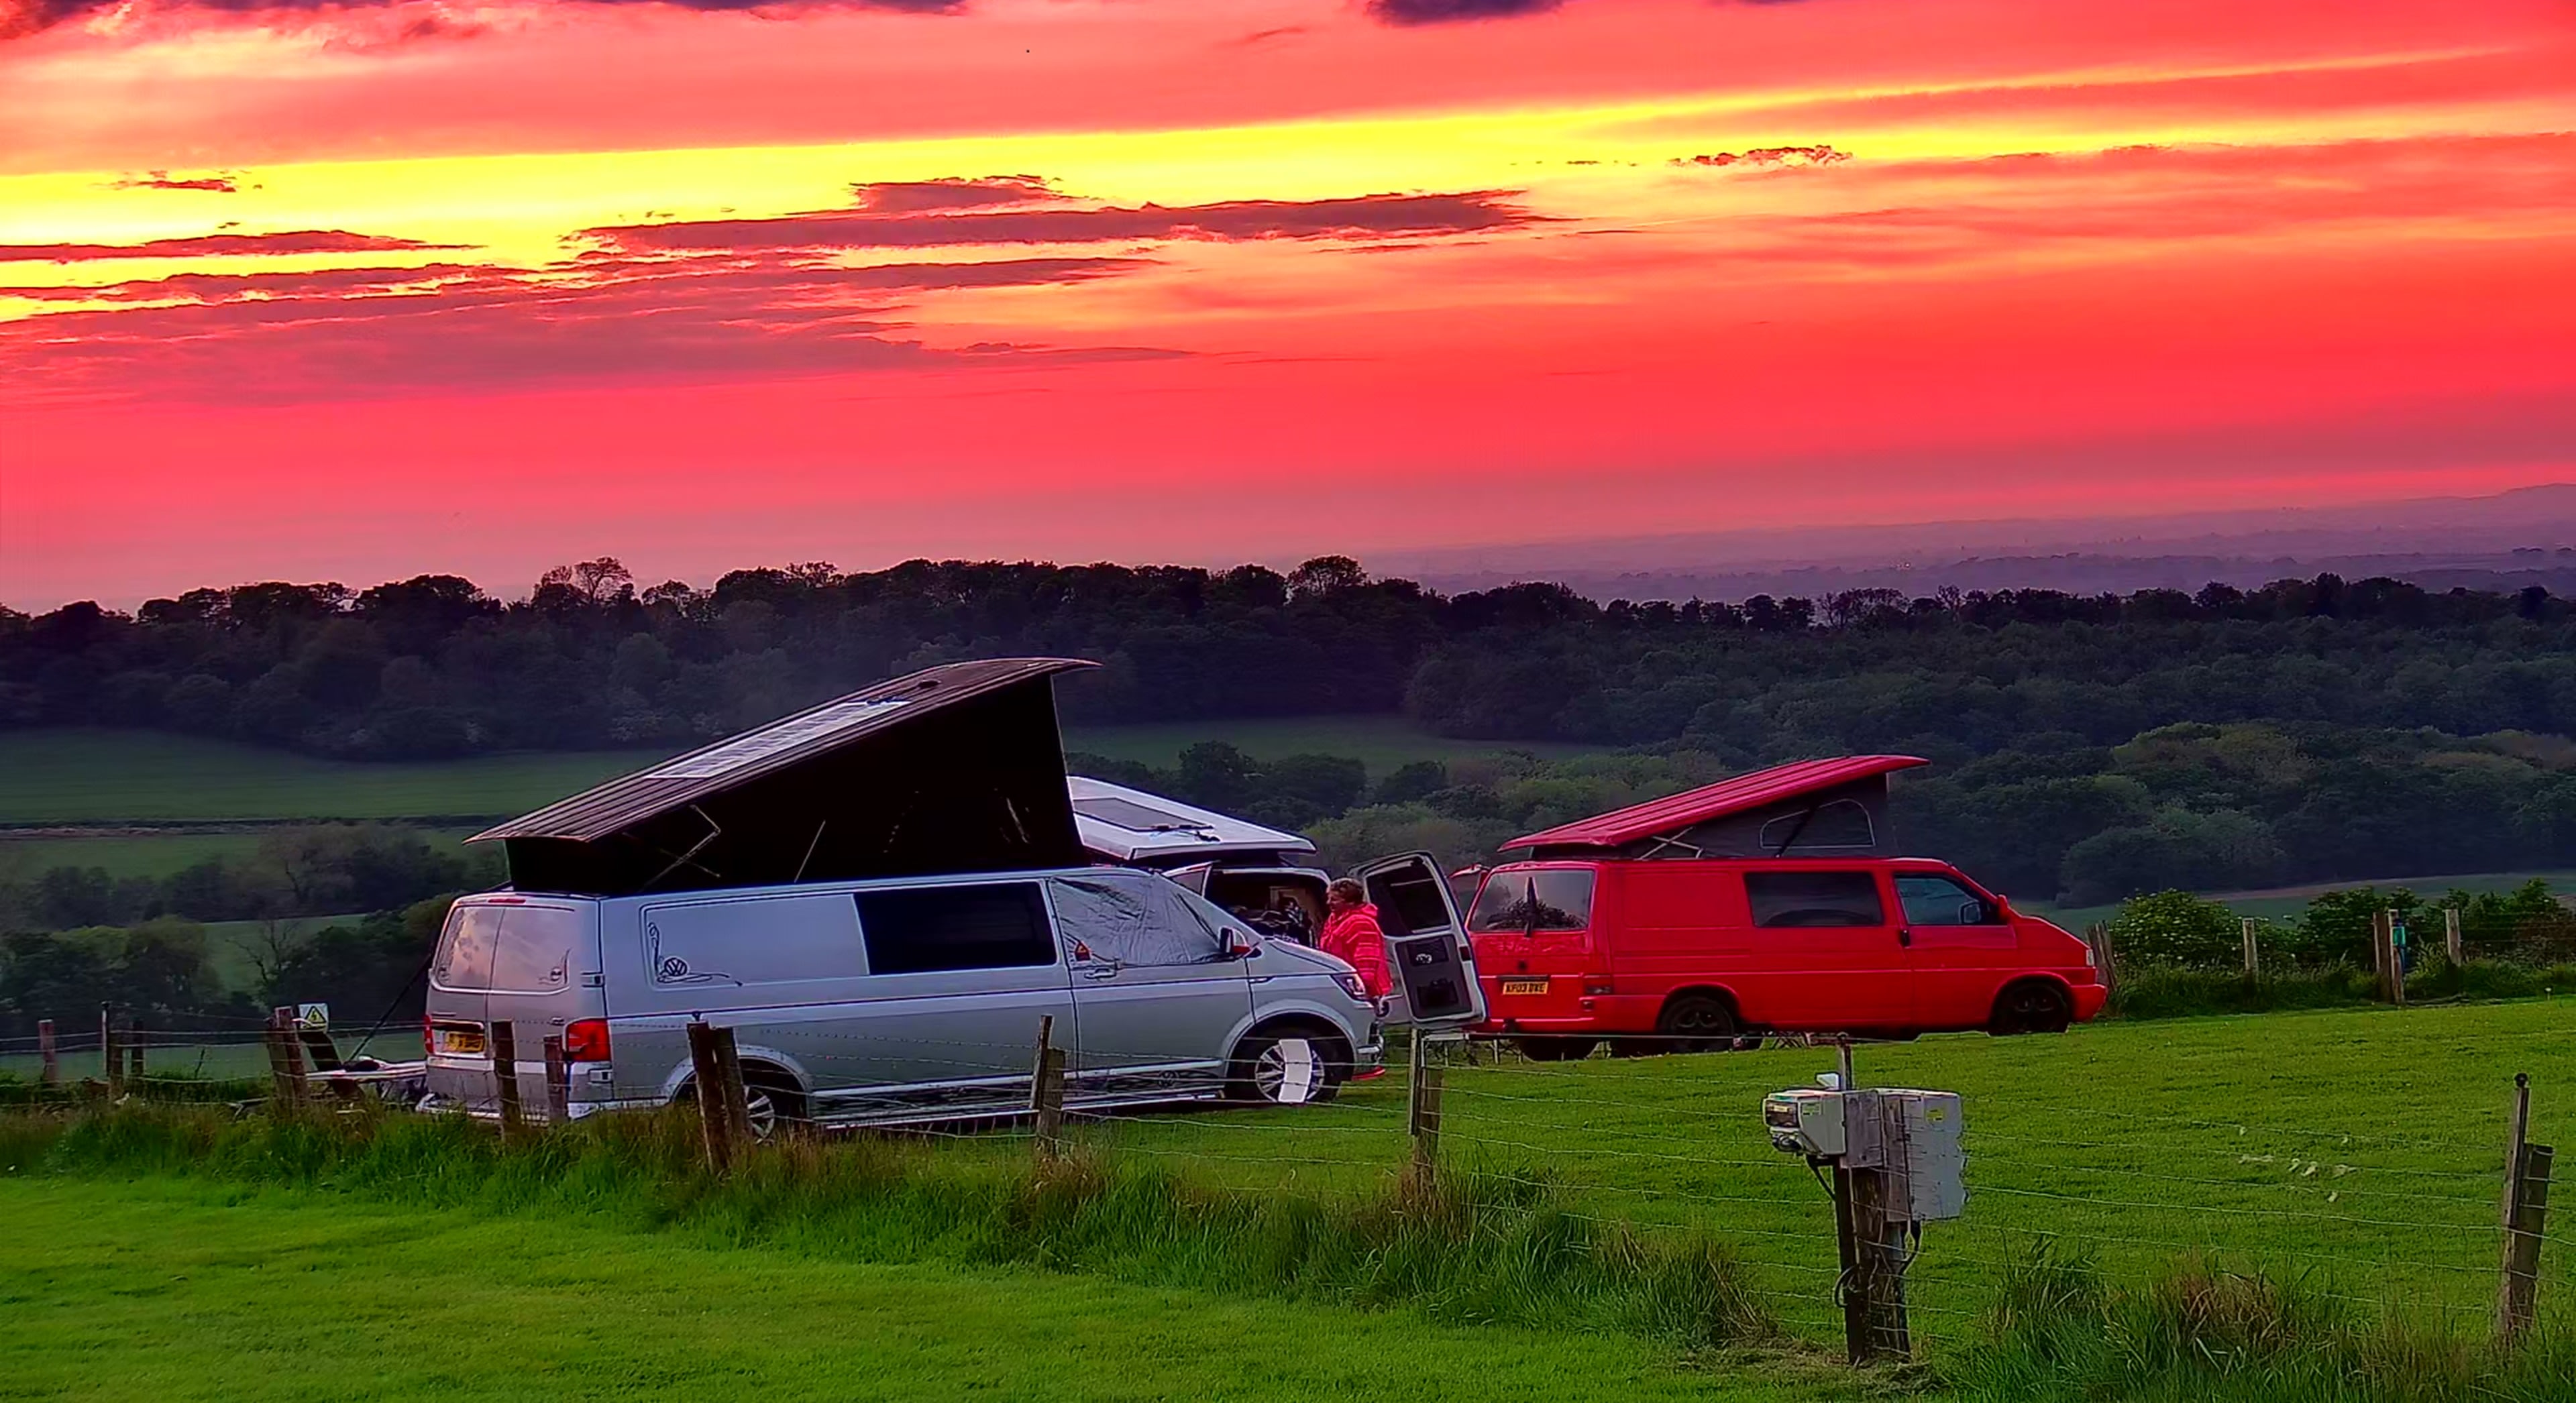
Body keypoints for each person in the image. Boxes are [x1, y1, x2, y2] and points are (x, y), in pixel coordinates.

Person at [1320, 877, 1391, 1003]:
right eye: (1329, 898)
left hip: (1361, 989)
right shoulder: (1334, 920)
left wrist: (1364, 989)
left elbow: (1367, 958)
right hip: (1344, 982)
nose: (1328, 903)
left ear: (1351, 903)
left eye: (1334, 900)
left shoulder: (1361, 923)